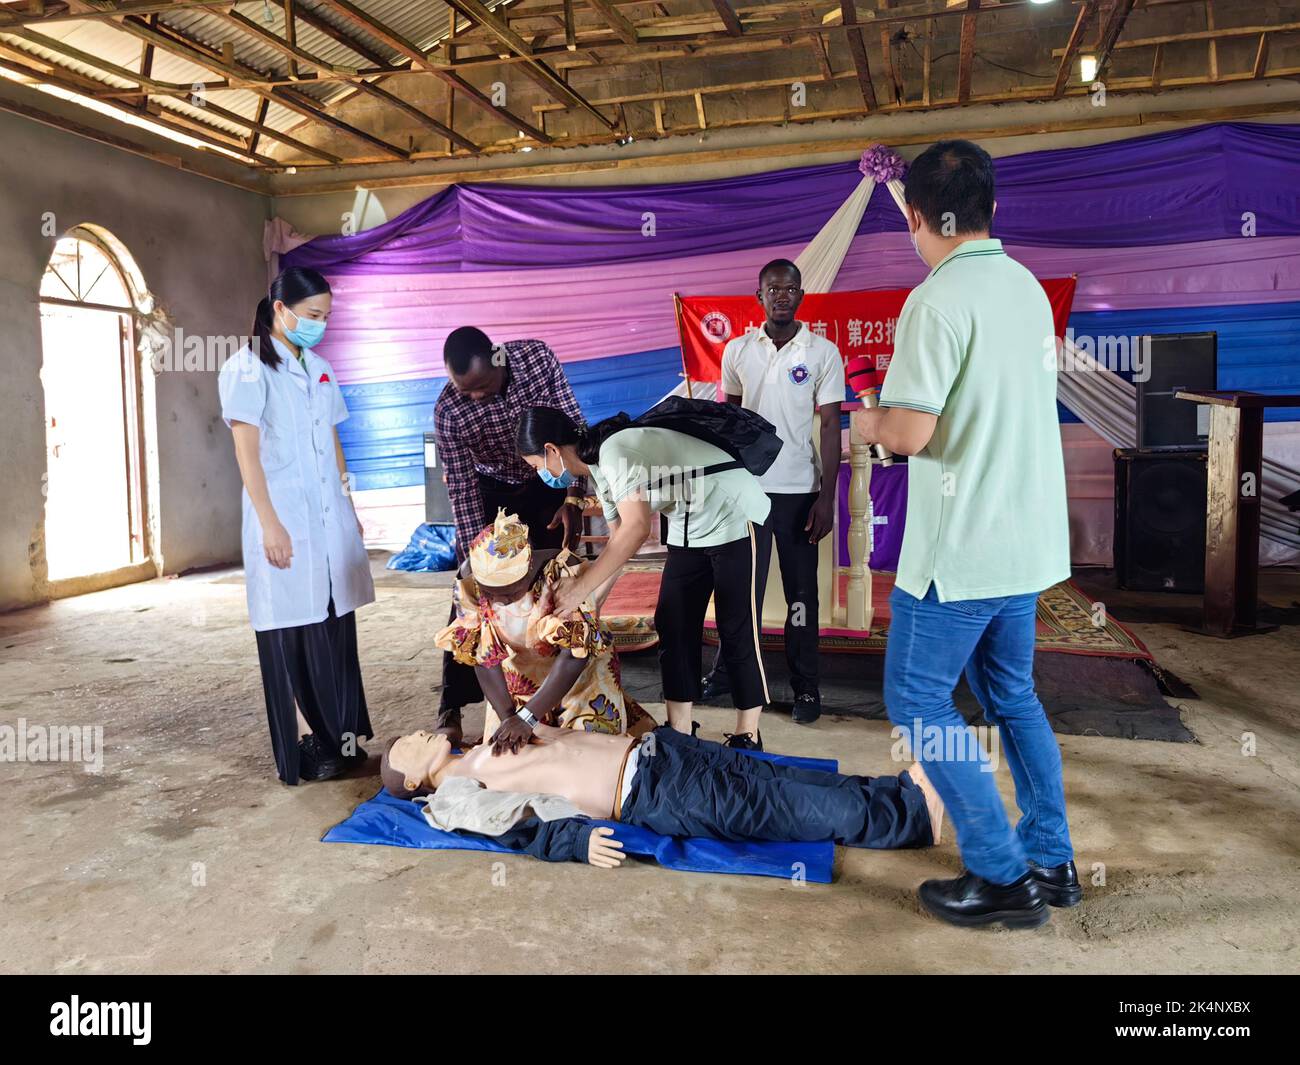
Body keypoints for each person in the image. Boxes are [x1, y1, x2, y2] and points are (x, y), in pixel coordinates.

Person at [854, 139, 1076, 929]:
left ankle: (999, 875)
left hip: (962, 550)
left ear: (915, 217)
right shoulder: (1024, 289)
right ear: (993, 208)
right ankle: (1051, 856)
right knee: (1011, 693)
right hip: (1025, 543)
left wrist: (869, 419)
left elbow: (913, 432)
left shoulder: (936, 300)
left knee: (916, 699)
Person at [517, 407, 773, 750]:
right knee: (673, 621)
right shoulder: (600, 470)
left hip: (734, 514)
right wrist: (586, 607)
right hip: (688, 526)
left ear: (551, 450)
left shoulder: (615, 453)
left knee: (735, 624)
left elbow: (637, 529)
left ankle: (748, 734)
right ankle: (680, 728)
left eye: (537, 466)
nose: (541, 475)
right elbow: (618, 544)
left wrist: (579, 589)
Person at [379, 725, 946, 873]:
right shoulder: (452, 795)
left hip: (656, 753)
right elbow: (511, 825)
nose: (414, 736)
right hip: (650, 791)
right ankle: (910, 815)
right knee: (774, 810)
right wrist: (574, 842)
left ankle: (896, 792)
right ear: (410, 783)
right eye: (405, 748)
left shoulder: (483, 743)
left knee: (777, 781)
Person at [218, 267, 375, 785]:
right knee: (295, 632)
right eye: (312, 316)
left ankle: (344, 740)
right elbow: (247, 454)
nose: (320, 325)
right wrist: (270, 524)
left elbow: (333, 443)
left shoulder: (321, 368)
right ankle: (313, 744)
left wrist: (348, 507)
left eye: (326, 317)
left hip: (327, 519)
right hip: (284, 518)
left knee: (334, 625)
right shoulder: (247, 369)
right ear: (280, 310)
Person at [702, 258, 844, 724]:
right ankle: (729, 671)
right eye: (773, 289)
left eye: (790, 289)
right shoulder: (738, 351)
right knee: (741, 591)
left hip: (800, 492)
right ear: (759, 297)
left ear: (801, 295)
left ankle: (806, 689)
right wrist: (723, 482)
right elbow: (728, 423)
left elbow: (828, 428)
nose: (782, 295)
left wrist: (826, 496)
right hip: (748, 492)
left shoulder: (823, 353)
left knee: (802, 597)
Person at [433, 327, 589, 739]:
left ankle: (558, 700)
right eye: (465, 391)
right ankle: (452, 706)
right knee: (473, 598)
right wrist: (473, 559)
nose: (475, 397)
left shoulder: (537, 359)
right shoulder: (449, 411)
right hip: (495, 497)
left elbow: (572, 427)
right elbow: (462, 488)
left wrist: (573, 496)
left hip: (547, 483)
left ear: (497, 361)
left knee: (557, 583)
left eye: (482, 388)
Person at [433, 509, 655, 750]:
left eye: (509, 594)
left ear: (528, 570)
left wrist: (527, 718)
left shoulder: (562, 571)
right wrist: (509, 716)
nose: (498, 601)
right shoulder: (469, 580)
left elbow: (574, 657)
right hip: (519, 677)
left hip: (581, 675)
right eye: (488, 593)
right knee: (504, 754)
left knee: (585, 753)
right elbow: (483, 656)